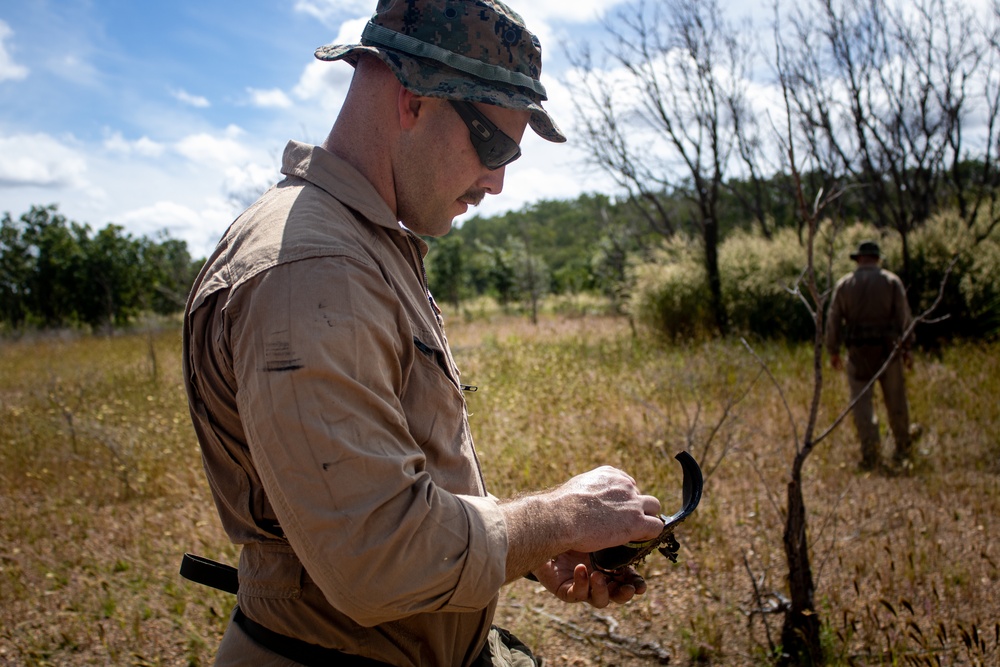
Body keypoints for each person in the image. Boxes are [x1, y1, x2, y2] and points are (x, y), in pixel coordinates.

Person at [181, 1, 669, 665]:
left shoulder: (363, 244)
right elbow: (376, 554)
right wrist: (559, 517)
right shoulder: (315, 269)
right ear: (412, 98)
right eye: (492, 145)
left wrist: (528, 549)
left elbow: (398, 490)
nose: (497, 181)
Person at [825, 240, 914, 471]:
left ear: (859, 259)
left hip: (857, 353)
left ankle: (871, 454)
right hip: (889, 352)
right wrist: (907, 348)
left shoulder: (845, 285)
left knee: (862, 406)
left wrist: (833, 350)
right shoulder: (891, 281)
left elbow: (833, 319)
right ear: (877, 258)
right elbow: (904, 317)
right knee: (896, 402)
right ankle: (903, 449)